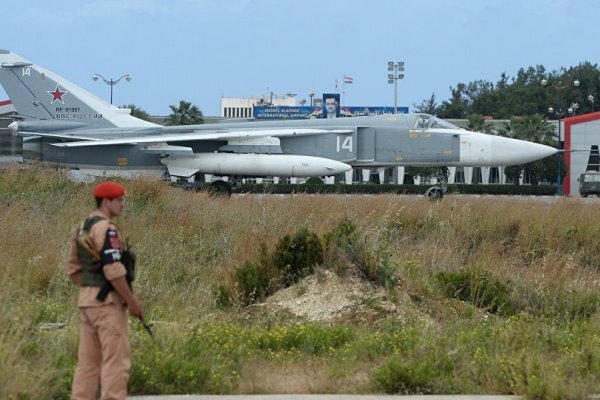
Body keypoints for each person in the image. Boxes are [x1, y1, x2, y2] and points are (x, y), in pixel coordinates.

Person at [67, 181, 143, 400]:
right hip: (108, 304)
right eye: (119, 200)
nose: (123, 205)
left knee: (88, 364)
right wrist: (131, 301)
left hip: (87, 302)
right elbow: (113, 269)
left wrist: (91, 288)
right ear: (106, 201)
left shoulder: (82, 226)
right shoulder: (106, 228)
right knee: (115, 362)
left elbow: (72, 269)